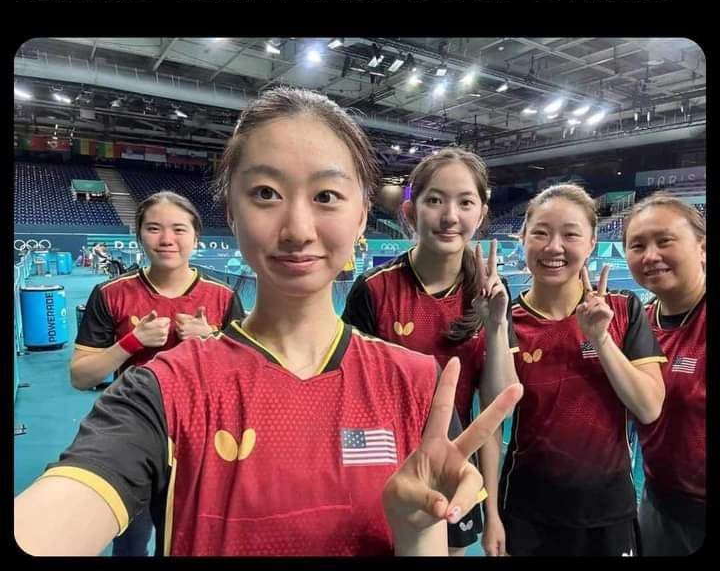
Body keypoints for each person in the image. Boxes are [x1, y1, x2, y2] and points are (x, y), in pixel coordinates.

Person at [14, 87, 523, 557]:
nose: (297, 229)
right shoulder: (164, 391)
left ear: (363, 216)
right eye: (264, 193)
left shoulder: (421, 387)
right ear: (230, 213)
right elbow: (66, 504)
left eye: (326, 196)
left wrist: (415, 533)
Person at [342, 148, 519, 556]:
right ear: (410, 211)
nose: (450, 216)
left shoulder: (492, 293)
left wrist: (495, 326)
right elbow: (348, 399)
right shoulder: (374, 290)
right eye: (435, 200)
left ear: (481, 213)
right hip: (382, 471)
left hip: (452, 473)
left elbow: (496, 407)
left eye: (465, 202)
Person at [69, 191, 245, 556]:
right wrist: (131, 342)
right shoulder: (111, 293)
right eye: (154, 228)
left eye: (179, 229)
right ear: (139, 235)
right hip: (133, 434)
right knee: (131, 542)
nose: (167, 239)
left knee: (194, 538)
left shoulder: (223, 297)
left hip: (202, 437)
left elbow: (248, 378)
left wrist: (213, 339)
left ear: (196, 237)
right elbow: (81, 377)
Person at [497, 184, 666, 556]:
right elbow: (497, 411)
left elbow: (649, 407)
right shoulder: (507, 319)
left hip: (608, 511)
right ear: (522, 238)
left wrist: (600, 338)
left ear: (591, 243)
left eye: (570, 235)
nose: (554, 247)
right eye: (540, 233)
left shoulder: (623, 309)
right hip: (528, 510)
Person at [623, 193, 705, 555]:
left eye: (665, 240)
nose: (651, 256)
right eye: (638, 245)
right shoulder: (637, 326)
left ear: (702, 247)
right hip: (661, 506)